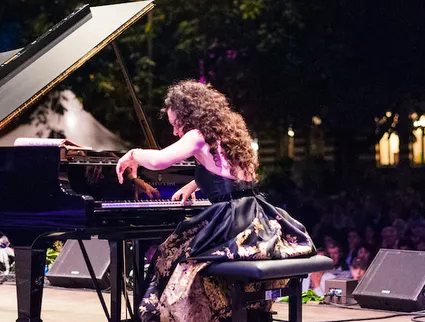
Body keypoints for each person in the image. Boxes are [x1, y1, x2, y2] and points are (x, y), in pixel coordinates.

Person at [116, 80, 316, 322]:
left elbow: (160, 161)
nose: (175, 132)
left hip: (232, 221)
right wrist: (194, 184)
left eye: (175, 124)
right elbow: (228, 172)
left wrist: (132, 155)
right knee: (188, 256)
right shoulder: (229, 127)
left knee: (169, 255)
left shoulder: (198, 135)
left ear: (188, 116)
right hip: (255, 215)